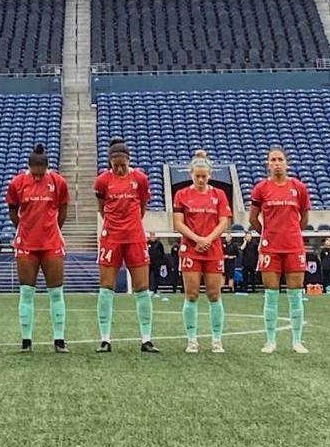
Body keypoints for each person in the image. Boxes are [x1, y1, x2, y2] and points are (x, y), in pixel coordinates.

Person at [94, 137, 158, 353]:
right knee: (106, 287)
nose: (120, 169)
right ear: (110, 163)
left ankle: (146, 339)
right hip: (111, 238)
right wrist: (115, 224)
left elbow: (142, 206)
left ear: (129, 160)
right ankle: (105, 339)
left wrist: (130, 225)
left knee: (142, 287)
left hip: (135, 237)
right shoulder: (102, 181)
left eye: (123, 164)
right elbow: (102, 208)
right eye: (116, 165)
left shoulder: (140, 178)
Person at [6, 144, 71, 353]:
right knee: (26, 292)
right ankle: (26, 341)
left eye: (40, 170)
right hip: (26, 244)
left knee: (56, 292)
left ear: (46, 167)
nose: (37, 175)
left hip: (51, 243)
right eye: (34, 170)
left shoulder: (58, 182)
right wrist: (25, 229)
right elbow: (13, 210)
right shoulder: (17, 183)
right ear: (29, 166)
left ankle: (59, 340)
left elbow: (62, 210)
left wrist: (52, 229)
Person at [249, 146, 310, 354]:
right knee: (271, 294)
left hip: (293, 246)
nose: (276, 163)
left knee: (295, 294)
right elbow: (252, 218)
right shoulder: (261, 188)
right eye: (272, 160)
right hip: (270, 248)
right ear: (268, 164)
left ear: (286, 163)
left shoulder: (299, 187)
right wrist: (268, 235)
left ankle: (297, 341)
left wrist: (291, 233)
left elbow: (304, 217)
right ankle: (271, 341)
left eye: (279, 159)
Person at [172, 151, 232, 354]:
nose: (200, 179)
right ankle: (191, 339)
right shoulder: (182, 194)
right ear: (190, 174)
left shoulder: (219, 195)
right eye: (197, 175)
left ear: (210, 175)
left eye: (203, 176)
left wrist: (208, 239)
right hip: (190, 249)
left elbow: (224, 221)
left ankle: (216, 339)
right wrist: (197, 239)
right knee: (192, 294)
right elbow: (178, 223)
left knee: (215, 294)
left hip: (213, 249)